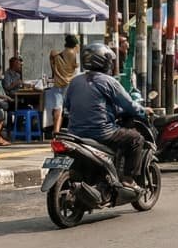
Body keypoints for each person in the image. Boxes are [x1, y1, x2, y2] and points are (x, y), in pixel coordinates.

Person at [64, 44, 152, 189]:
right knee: (136, 138)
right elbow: (129, 105)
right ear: (102, 62)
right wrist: (144, 111)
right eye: (109, 60)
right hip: (102, 133)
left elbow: (67, 107)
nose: (111, 64)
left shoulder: (74, 81)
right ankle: (128, 179)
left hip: (75, 134)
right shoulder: (109, 82)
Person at [50, 34, 79, 134]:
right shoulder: (74, 54)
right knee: (72, 109)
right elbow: (76, 66)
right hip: (69, 84)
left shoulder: (56, 55)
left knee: (58, 109)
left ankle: (56, 131)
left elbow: (53, 68)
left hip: (58, 85)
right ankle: (73, 131)